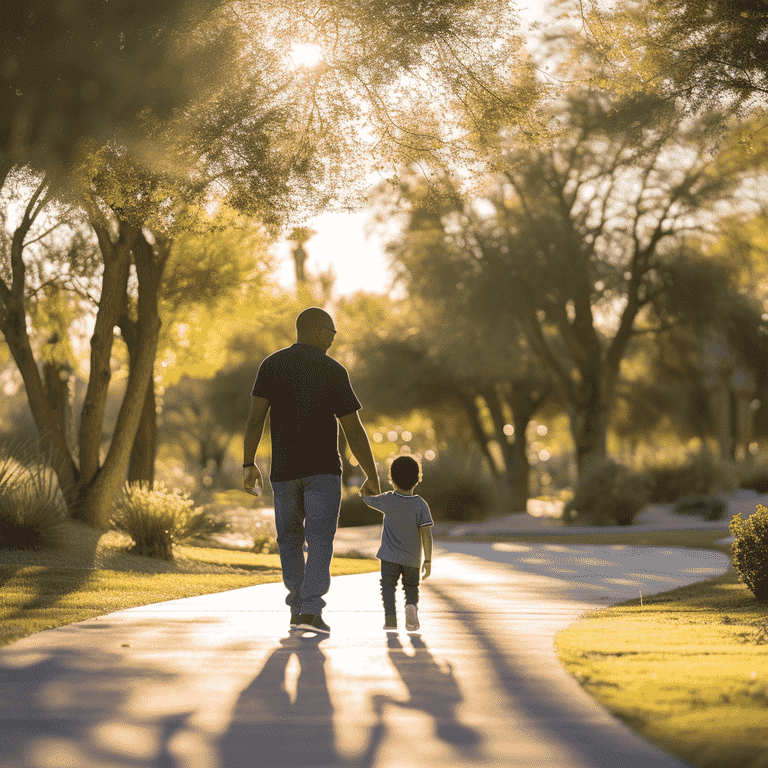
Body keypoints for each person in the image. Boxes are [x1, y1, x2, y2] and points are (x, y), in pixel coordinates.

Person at [243, 307, 380, 634]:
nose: (334, 338)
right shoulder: (333, 370)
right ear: (317, 331)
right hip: (322, 471)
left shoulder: (272, 365)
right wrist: (372, 476)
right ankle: (310, 610)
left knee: (289, 538)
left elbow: (254, 419)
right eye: (332, 331)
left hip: (284, 471)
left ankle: (298, 607)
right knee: (320, 540)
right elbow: (354, 430)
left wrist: (249, 464)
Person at [362, 455, 433, 632]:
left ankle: (390, 619)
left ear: (392, 480)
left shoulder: (387, 500)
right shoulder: (421, 505)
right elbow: (426, 535)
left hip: (389, 557)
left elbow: (367, 498)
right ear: (418, 479)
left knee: (387, 587)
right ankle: (411, 607)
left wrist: (366, 486)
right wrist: (428, 560)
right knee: (411, 588)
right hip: (412, 559)